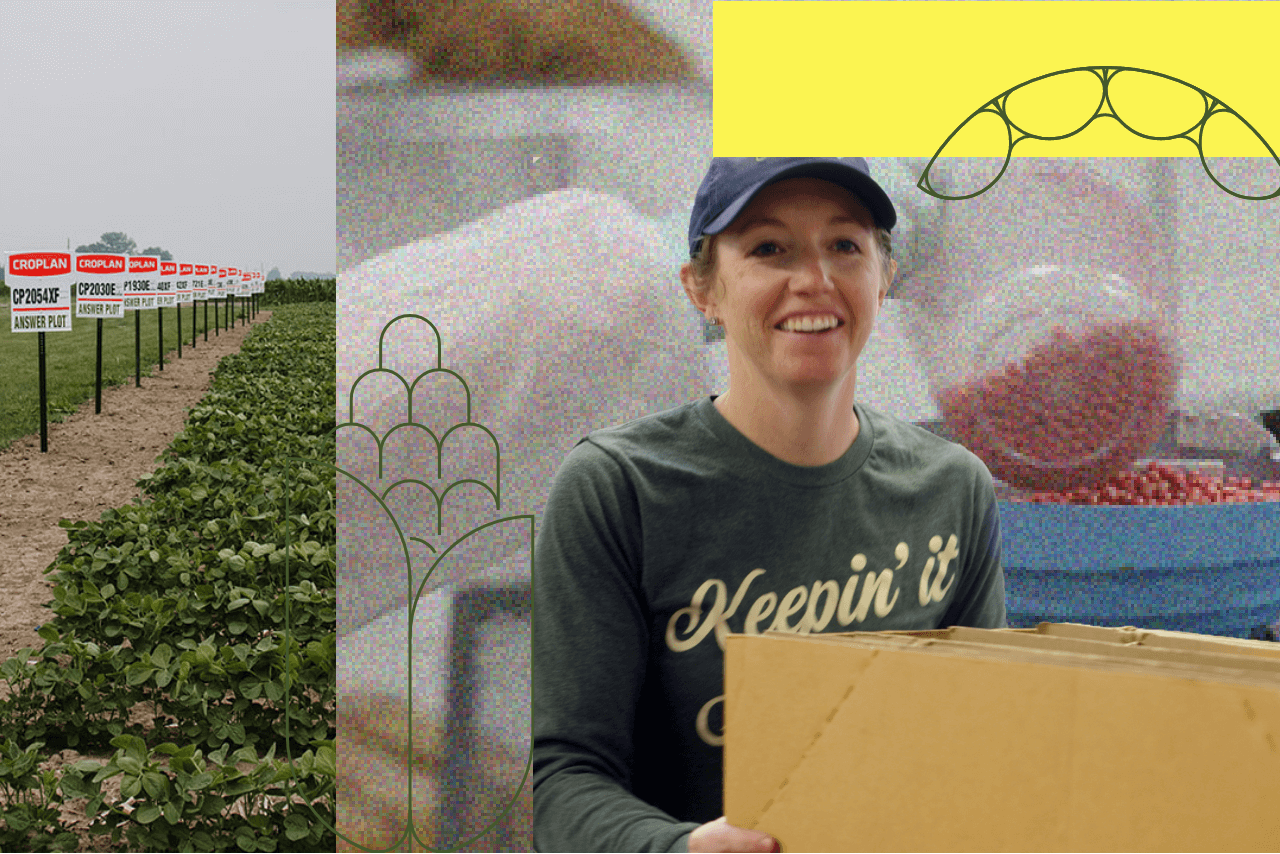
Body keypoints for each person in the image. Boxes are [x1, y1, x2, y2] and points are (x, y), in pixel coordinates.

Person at [531, 157, 1008, 853]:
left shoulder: (952, 487)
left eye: (845, 245)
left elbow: (982, 750)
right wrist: (681, 847)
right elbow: (566, 784)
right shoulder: (619, 487)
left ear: (885, 276)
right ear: (703, 290)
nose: (813, 280)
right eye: (768, 249)